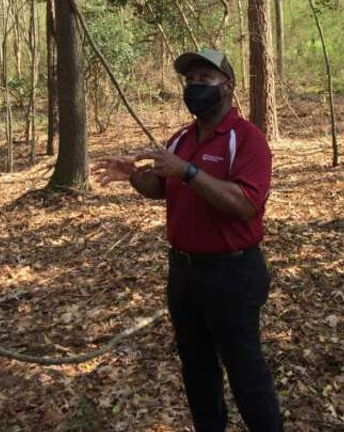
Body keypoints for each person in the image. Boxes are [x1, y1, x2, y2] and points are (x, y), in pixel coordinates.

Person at [94, 48, 282, 432]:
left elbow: (246, 205)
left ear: (227, 87)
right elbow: (161, 186)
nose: (195, 87)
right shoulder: (180, 139)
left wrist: (190, 172)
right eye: (191, 80)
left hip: (233, 273)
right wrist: (132, 175)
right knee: (197, 370)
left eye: (205, 79)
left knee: (245, 372)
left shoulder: (247, 140)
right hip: (184, 272)